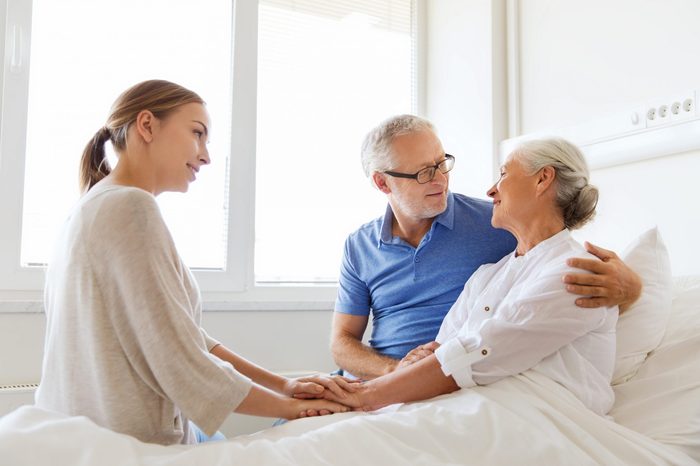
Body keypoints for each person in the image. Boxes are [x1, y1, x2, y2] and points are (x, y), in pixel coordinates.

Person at [35, 80, 351, 446]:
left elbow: (181, 332)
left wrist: (284, 384)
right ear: (147, 125)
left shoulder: (90, 205)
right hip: (126, 442)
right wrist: (290, 407)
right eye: (197, 134)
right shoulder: (130, 208)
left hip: (76, 432)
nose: (205, 156)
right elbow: (178, 357)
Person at [331, 115, 641, 380]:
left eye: (442, 164)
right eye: (424, 172)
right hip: (381, 378)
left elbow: (560, 255)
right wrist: (393, 372)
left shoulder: (497, 221)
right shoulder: (359, 246)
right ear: (383, 183)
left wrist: (632, 288)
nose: (440, 179)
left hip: (441, 380)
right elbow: (342, 342)